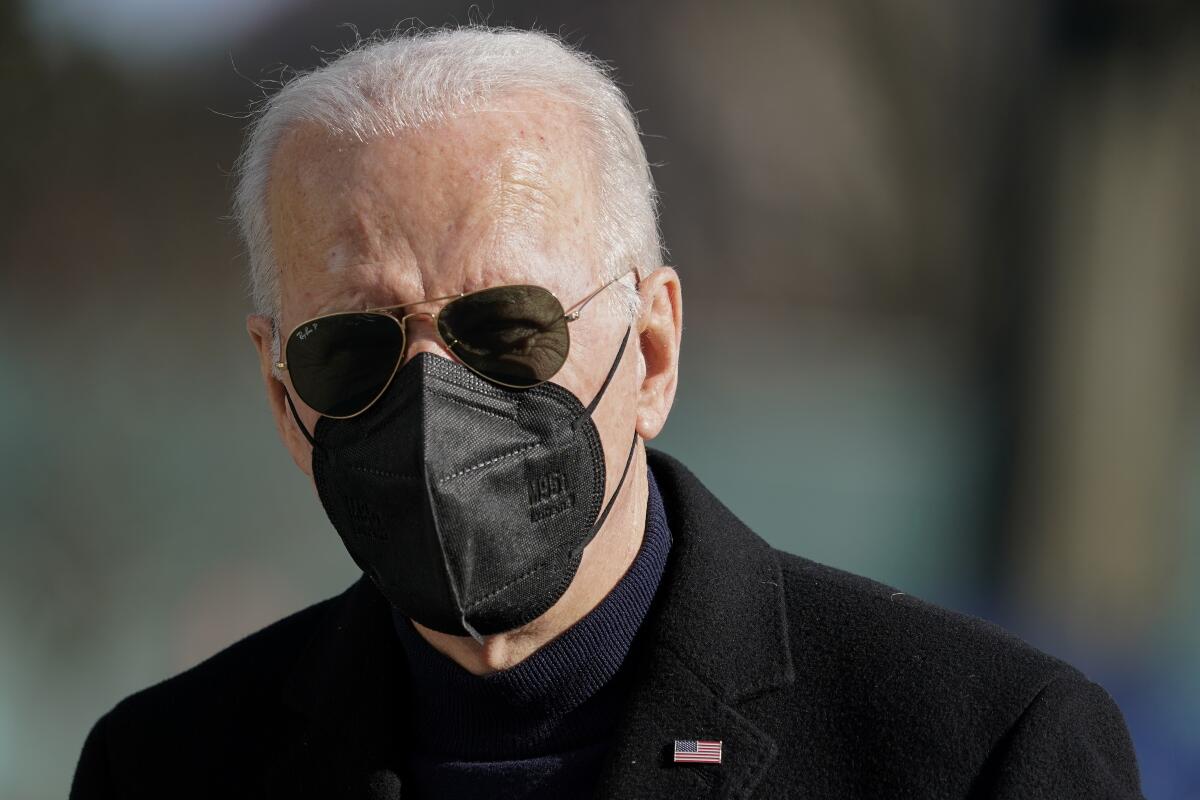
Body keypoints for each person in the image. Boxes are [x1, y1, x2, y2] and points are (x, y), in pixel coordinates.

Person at [69, 26, 1144, 800]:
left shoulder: (979, 749)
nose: (438, 395)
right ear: (280, 391)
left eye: (506, 326)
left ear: (654, 348)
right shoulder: (163, 765)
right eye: (354, 344)